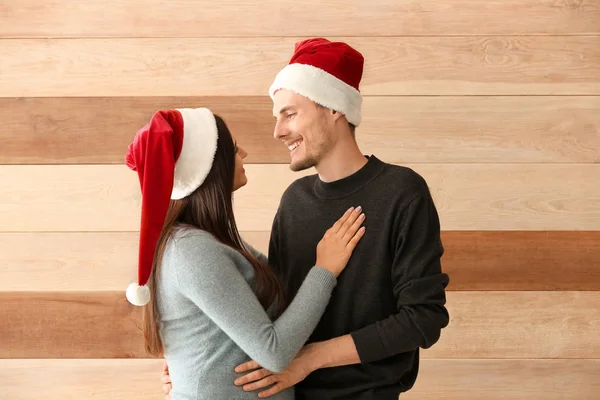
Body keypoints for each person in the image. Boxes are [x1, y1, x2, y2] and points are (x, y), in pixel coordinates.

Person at [162, 38, 450, 399]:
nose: (278, 131)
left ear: (334, 109)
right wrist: (192, 361)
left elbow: (423, 319)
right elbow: (274, 307)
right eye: (277, 117)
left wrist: (312, 358)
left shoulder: (401, 192)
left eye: (290, 113)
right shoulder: (294, 201)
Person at [124, 106, 367, 400]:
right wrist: (325, 269)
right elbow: (273, 352)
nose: (246, 154)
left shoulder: (208, 242)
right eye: (235, 149)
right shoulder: (191, 250)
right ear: (211, 166)